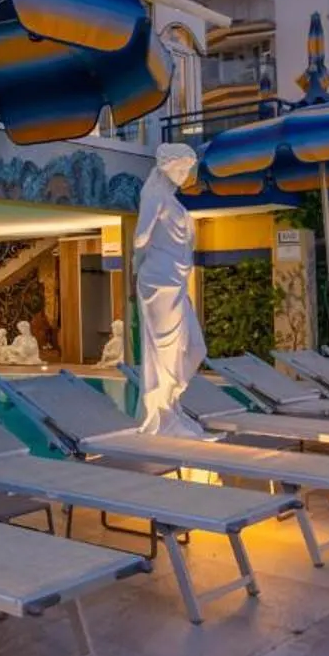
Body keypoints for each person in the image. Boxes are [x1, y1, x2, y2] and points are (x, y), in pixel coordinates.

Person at [134, 143, 207, 437]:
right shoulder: (155, 195)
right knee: (167, 350)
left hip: (176, 280)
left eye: (187, 169)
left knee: (194, 348)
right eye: (180, 168)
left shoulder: (171, 200)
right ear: (166, 165)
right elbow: (140, 238)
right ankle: (163, 414)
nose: (184, 174)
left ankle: (171, 406)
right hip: (160, 280)